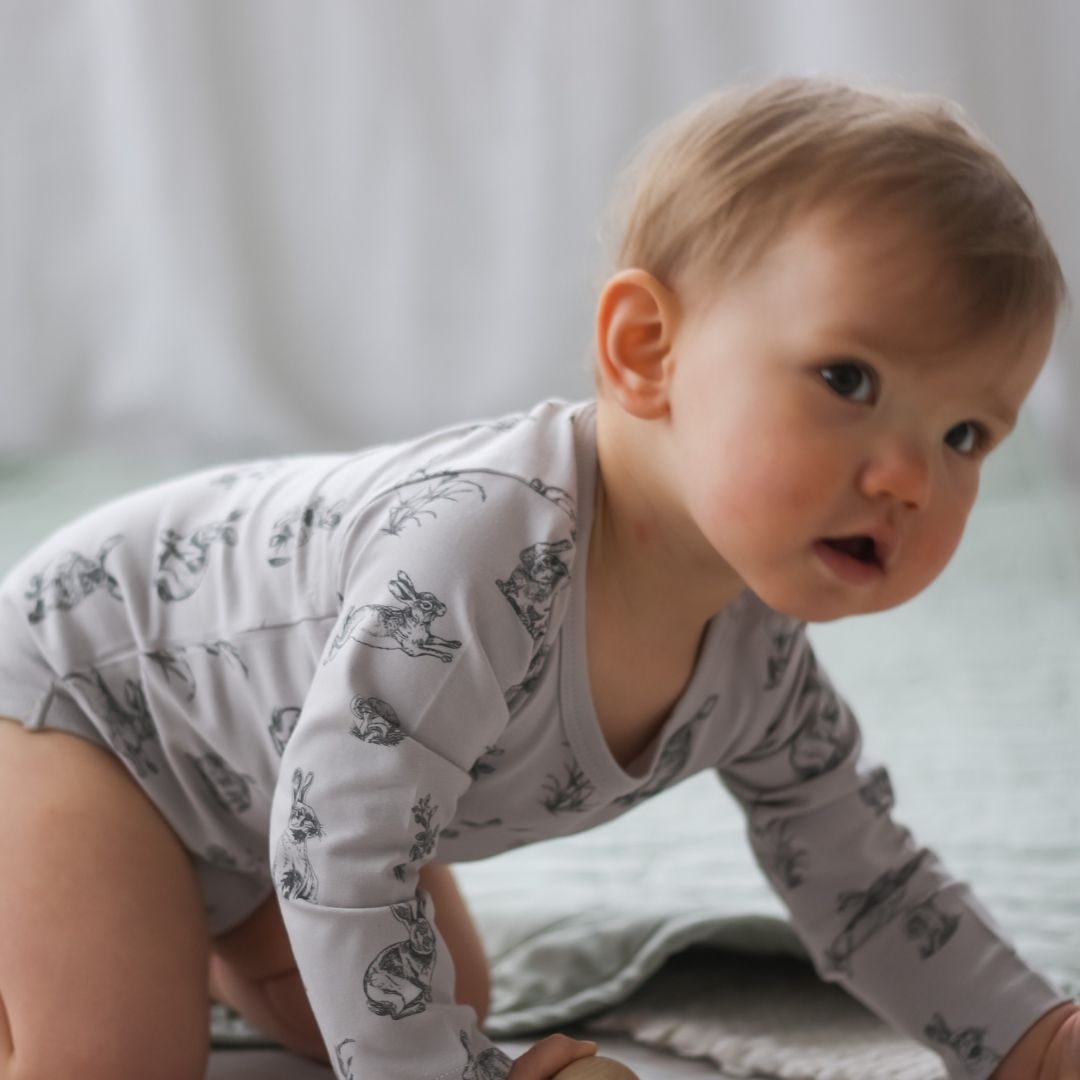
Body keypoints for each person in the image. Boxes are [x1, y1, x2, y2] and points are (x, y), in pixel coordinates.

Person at [0, 75, 1075, 1080]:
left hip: (266, 795)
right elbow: (342, 843)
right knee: (116, 1058)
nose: (909, 481)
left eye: (966, 435)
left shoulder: (758, 662)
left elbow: (866, 879)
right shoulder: (482, 557)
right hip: (89, 709)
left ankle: (168, 919)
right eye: (848, 379)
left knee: (448, 992)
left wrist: (1033, 1041)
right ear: (647, 351)